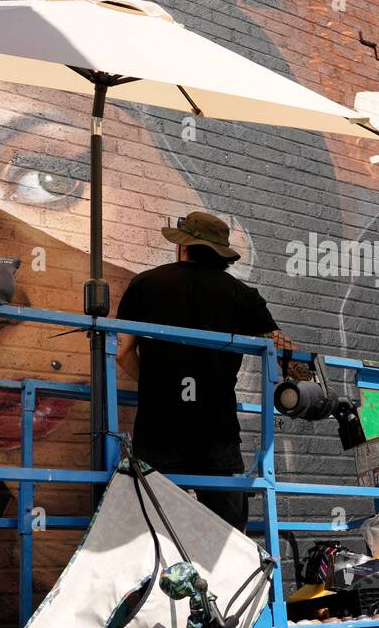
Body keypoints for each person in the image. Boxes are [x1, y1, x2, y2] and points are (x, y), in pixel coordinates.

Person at [115, 211, 292, 531]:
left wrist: (154, 386)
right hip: (217, 437)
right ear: (220, 253)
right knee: (227, 538)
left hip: (158, 434)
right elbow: (279, 346)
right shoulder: (243, 295)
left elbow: (122, 352)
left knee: (153, 535)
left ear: (183, 247)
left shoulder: (145, 284)